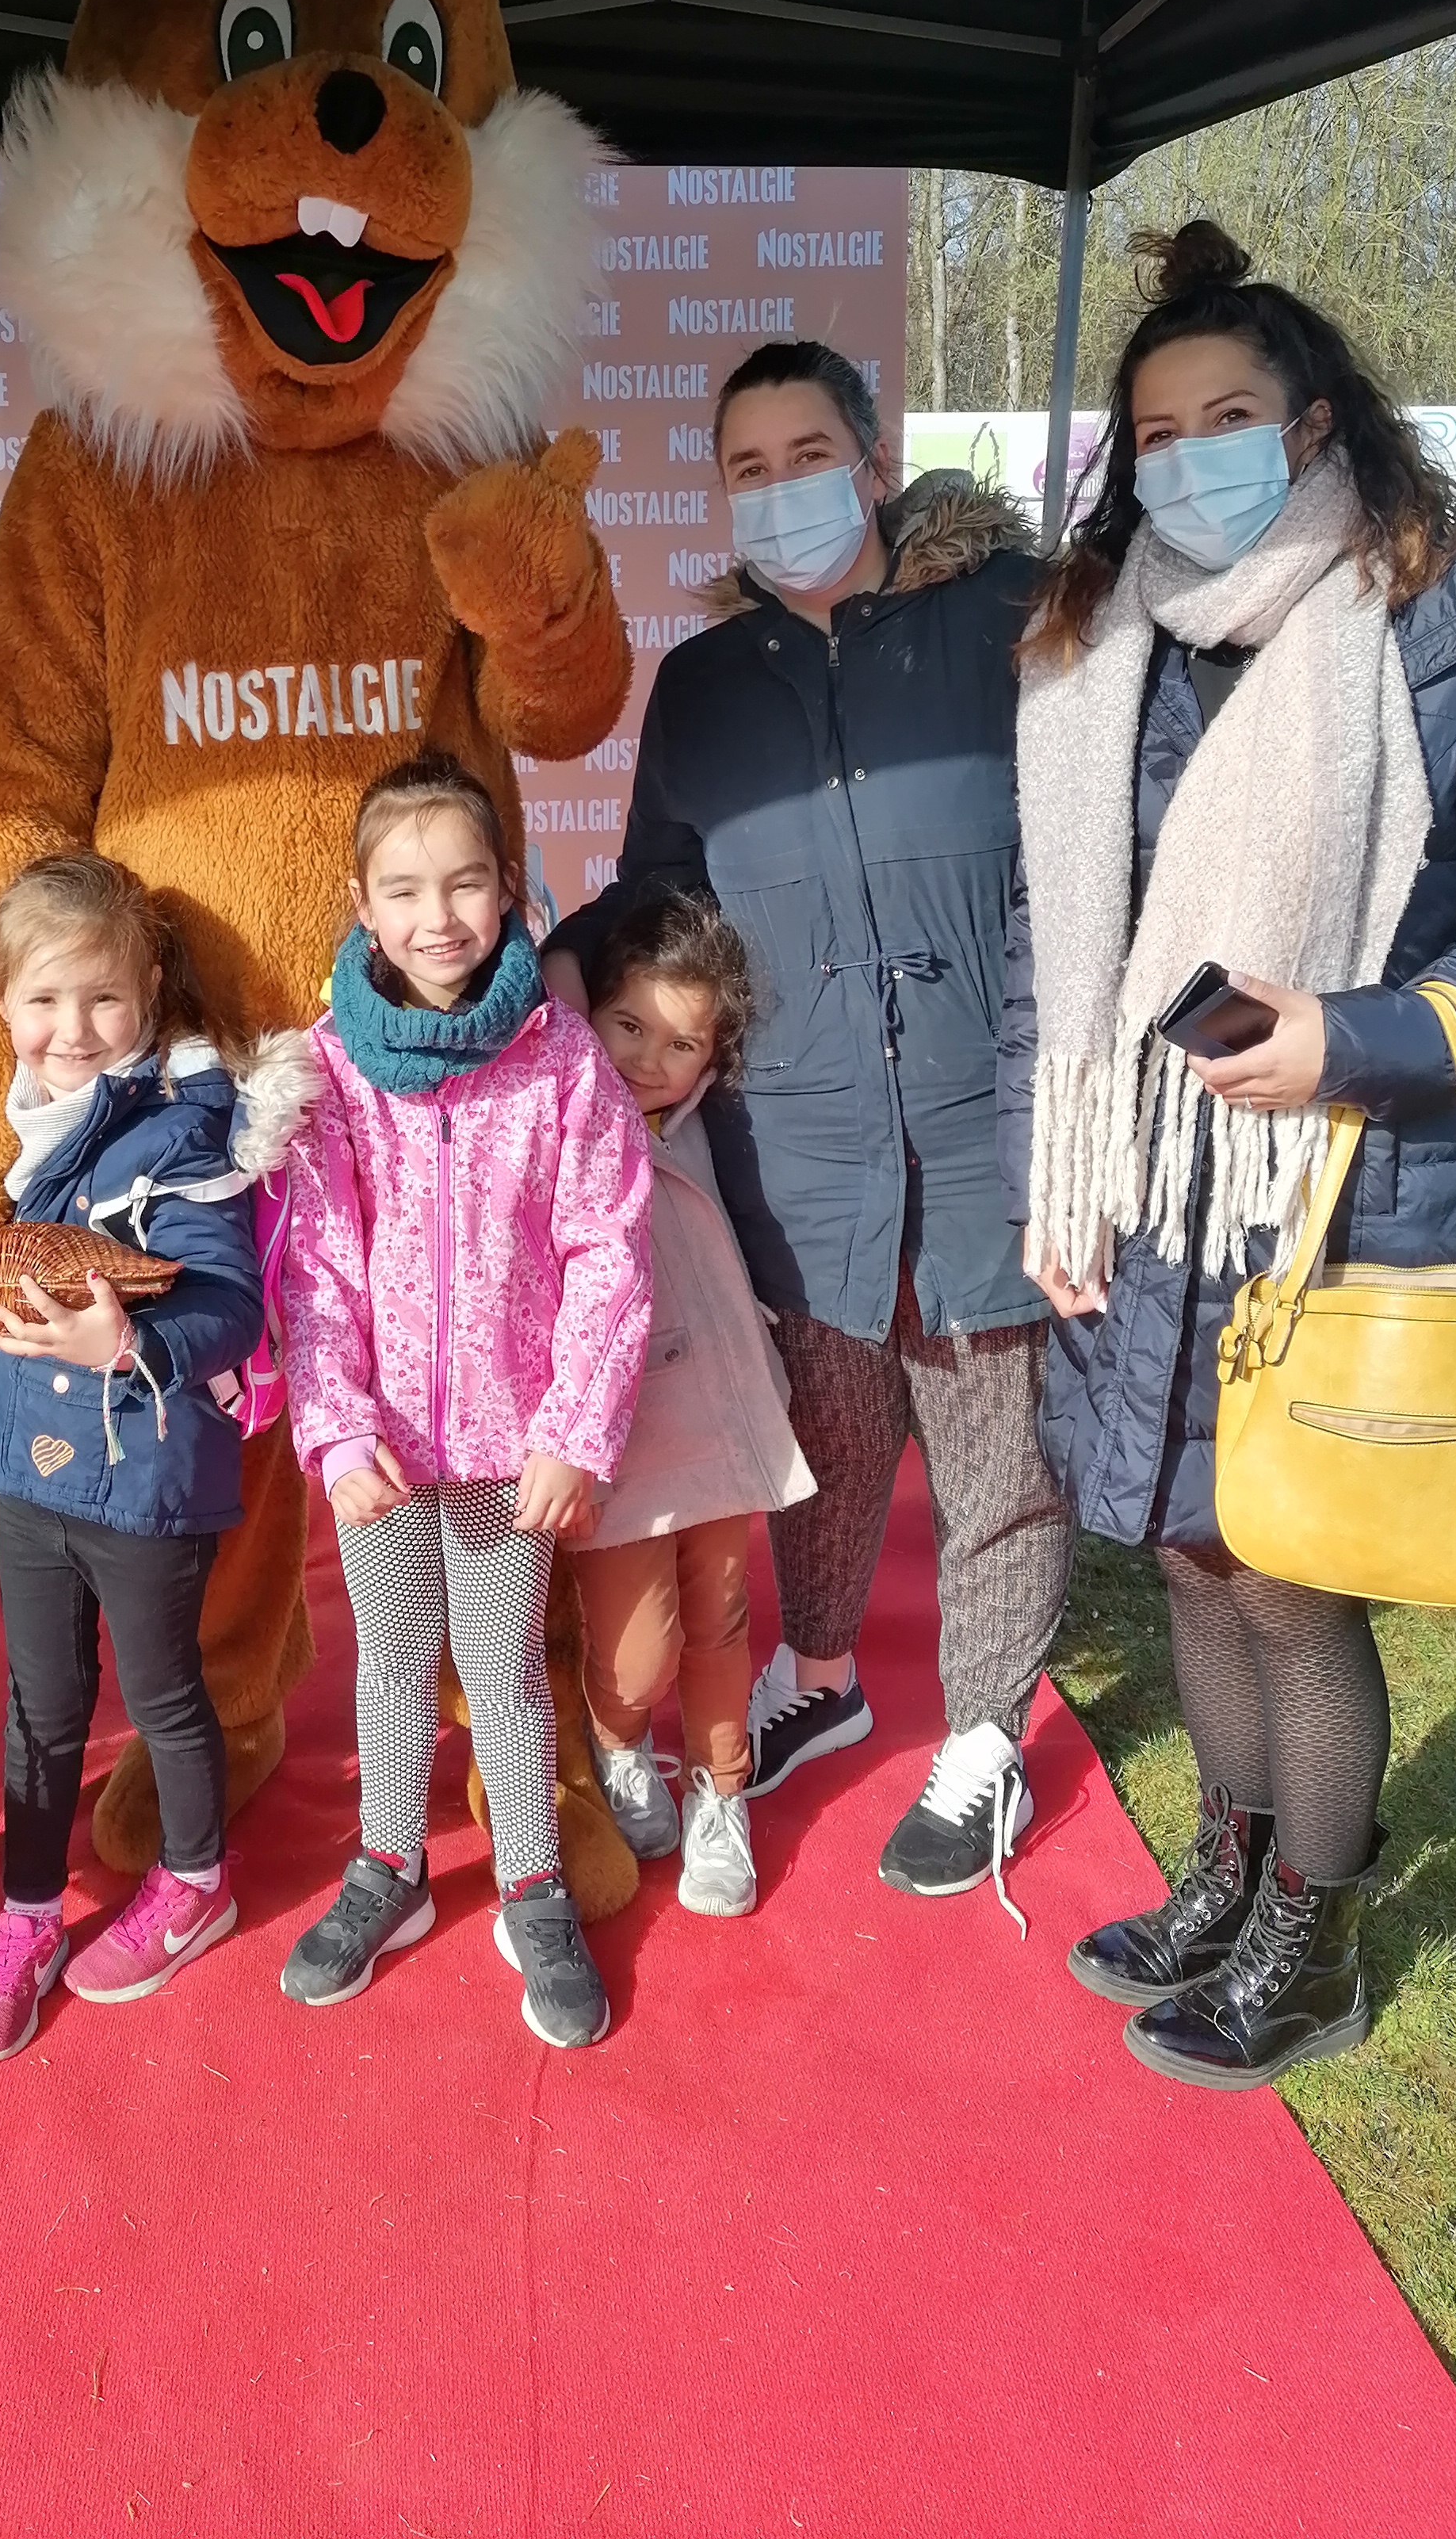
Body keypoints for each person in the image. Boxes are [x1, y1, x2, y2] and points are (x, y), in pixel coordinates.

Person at [1004, 219, 1456, 2089]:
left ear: (1316, 419)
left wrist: (1349, 1040)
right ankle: (1225, 1872)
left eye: (1228, 417)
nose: (1189, 455)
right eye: (1155, 430)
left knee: (1290, 1570)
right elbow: (1067, 939)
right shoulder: (1106, 637)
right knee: (1194, 1556)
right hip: (1148, 1192)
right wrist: (1059, 1174)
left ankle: (1314, 1938)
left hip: (1336, 1195)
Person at [545, 340, 1074, 1916]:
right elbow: (660, 892)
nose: (781, 490)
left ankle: (985, 1733)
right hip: (805, 1148)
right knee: (830, 1443)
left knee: (999, 1458)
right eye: (747, 468)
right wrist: (540, 971)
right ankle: (825, 1677)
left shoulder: (1010, 617)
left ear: (874, 458)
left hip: (989, 1130)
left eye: (808, 454)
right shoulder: (706, 683)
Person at [279, 753, 651, 2048]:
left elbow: (610, 1244)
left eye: (463, 884)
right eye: (404, 890)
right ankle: (390, 1864)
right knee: (390, 1660)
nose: (436, 916)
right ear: (362, 905)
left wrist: (574, 1429)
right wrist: (336, 1431)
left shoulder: (561, 1064)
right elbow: (315, 1264)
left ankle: (531, 1881)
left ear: (509, 891)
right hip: (380, 1451)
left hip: (512, 1452)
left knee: (504, 1669)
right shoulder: (333, 1068)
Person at [0, 857, 266, 2061]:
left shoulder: (180, 1130)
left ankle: (195, 1883)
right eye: (45, 999)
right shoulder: (11, 1124)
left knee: (164, 1693)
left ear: (151, 993)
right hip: (32, 1474)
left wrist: (129, 1341)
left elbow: (231, 1301)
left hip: (146, 1472)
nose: (72, 1030)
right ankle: (29, 1915)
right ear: (1, 1000)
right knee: (40, 1703)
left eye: (103, 1001)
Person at [571, 889, 816, 1921]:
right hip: (616, 1434)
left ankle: (722, 1788)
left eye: (681, 1043)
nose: (647, 1059)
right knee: (637, 1652)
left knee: (720, 1616)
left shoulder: (708, 1121)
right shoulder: (567, 1117)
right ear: (588, 1012)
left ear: (713, 1053)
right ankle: (620, 1741)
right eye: (627, 1025)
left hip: (715, 1409)